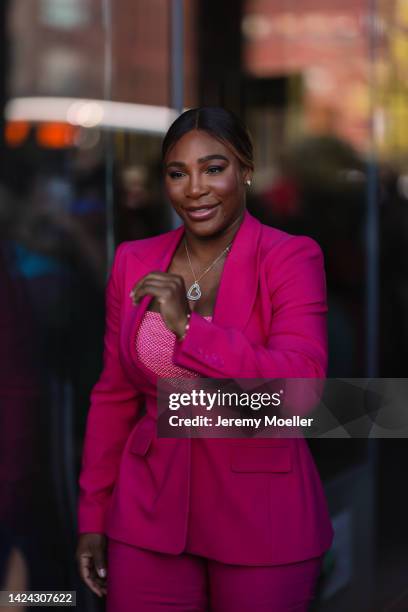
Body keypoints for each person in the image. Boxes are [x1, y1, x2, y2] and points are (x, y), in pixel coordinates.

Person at [76, 107, 334, 611]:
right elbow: (113, 398)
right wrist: (93, 516)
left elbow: (301, 393)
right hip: (147, 515)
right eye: (178, 173)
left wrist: (190, 329)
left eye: (213, 168)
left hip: (262, 519)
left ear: (246, 171)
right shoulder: (135, 260)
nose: (195, 188)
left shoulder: (290, 258)